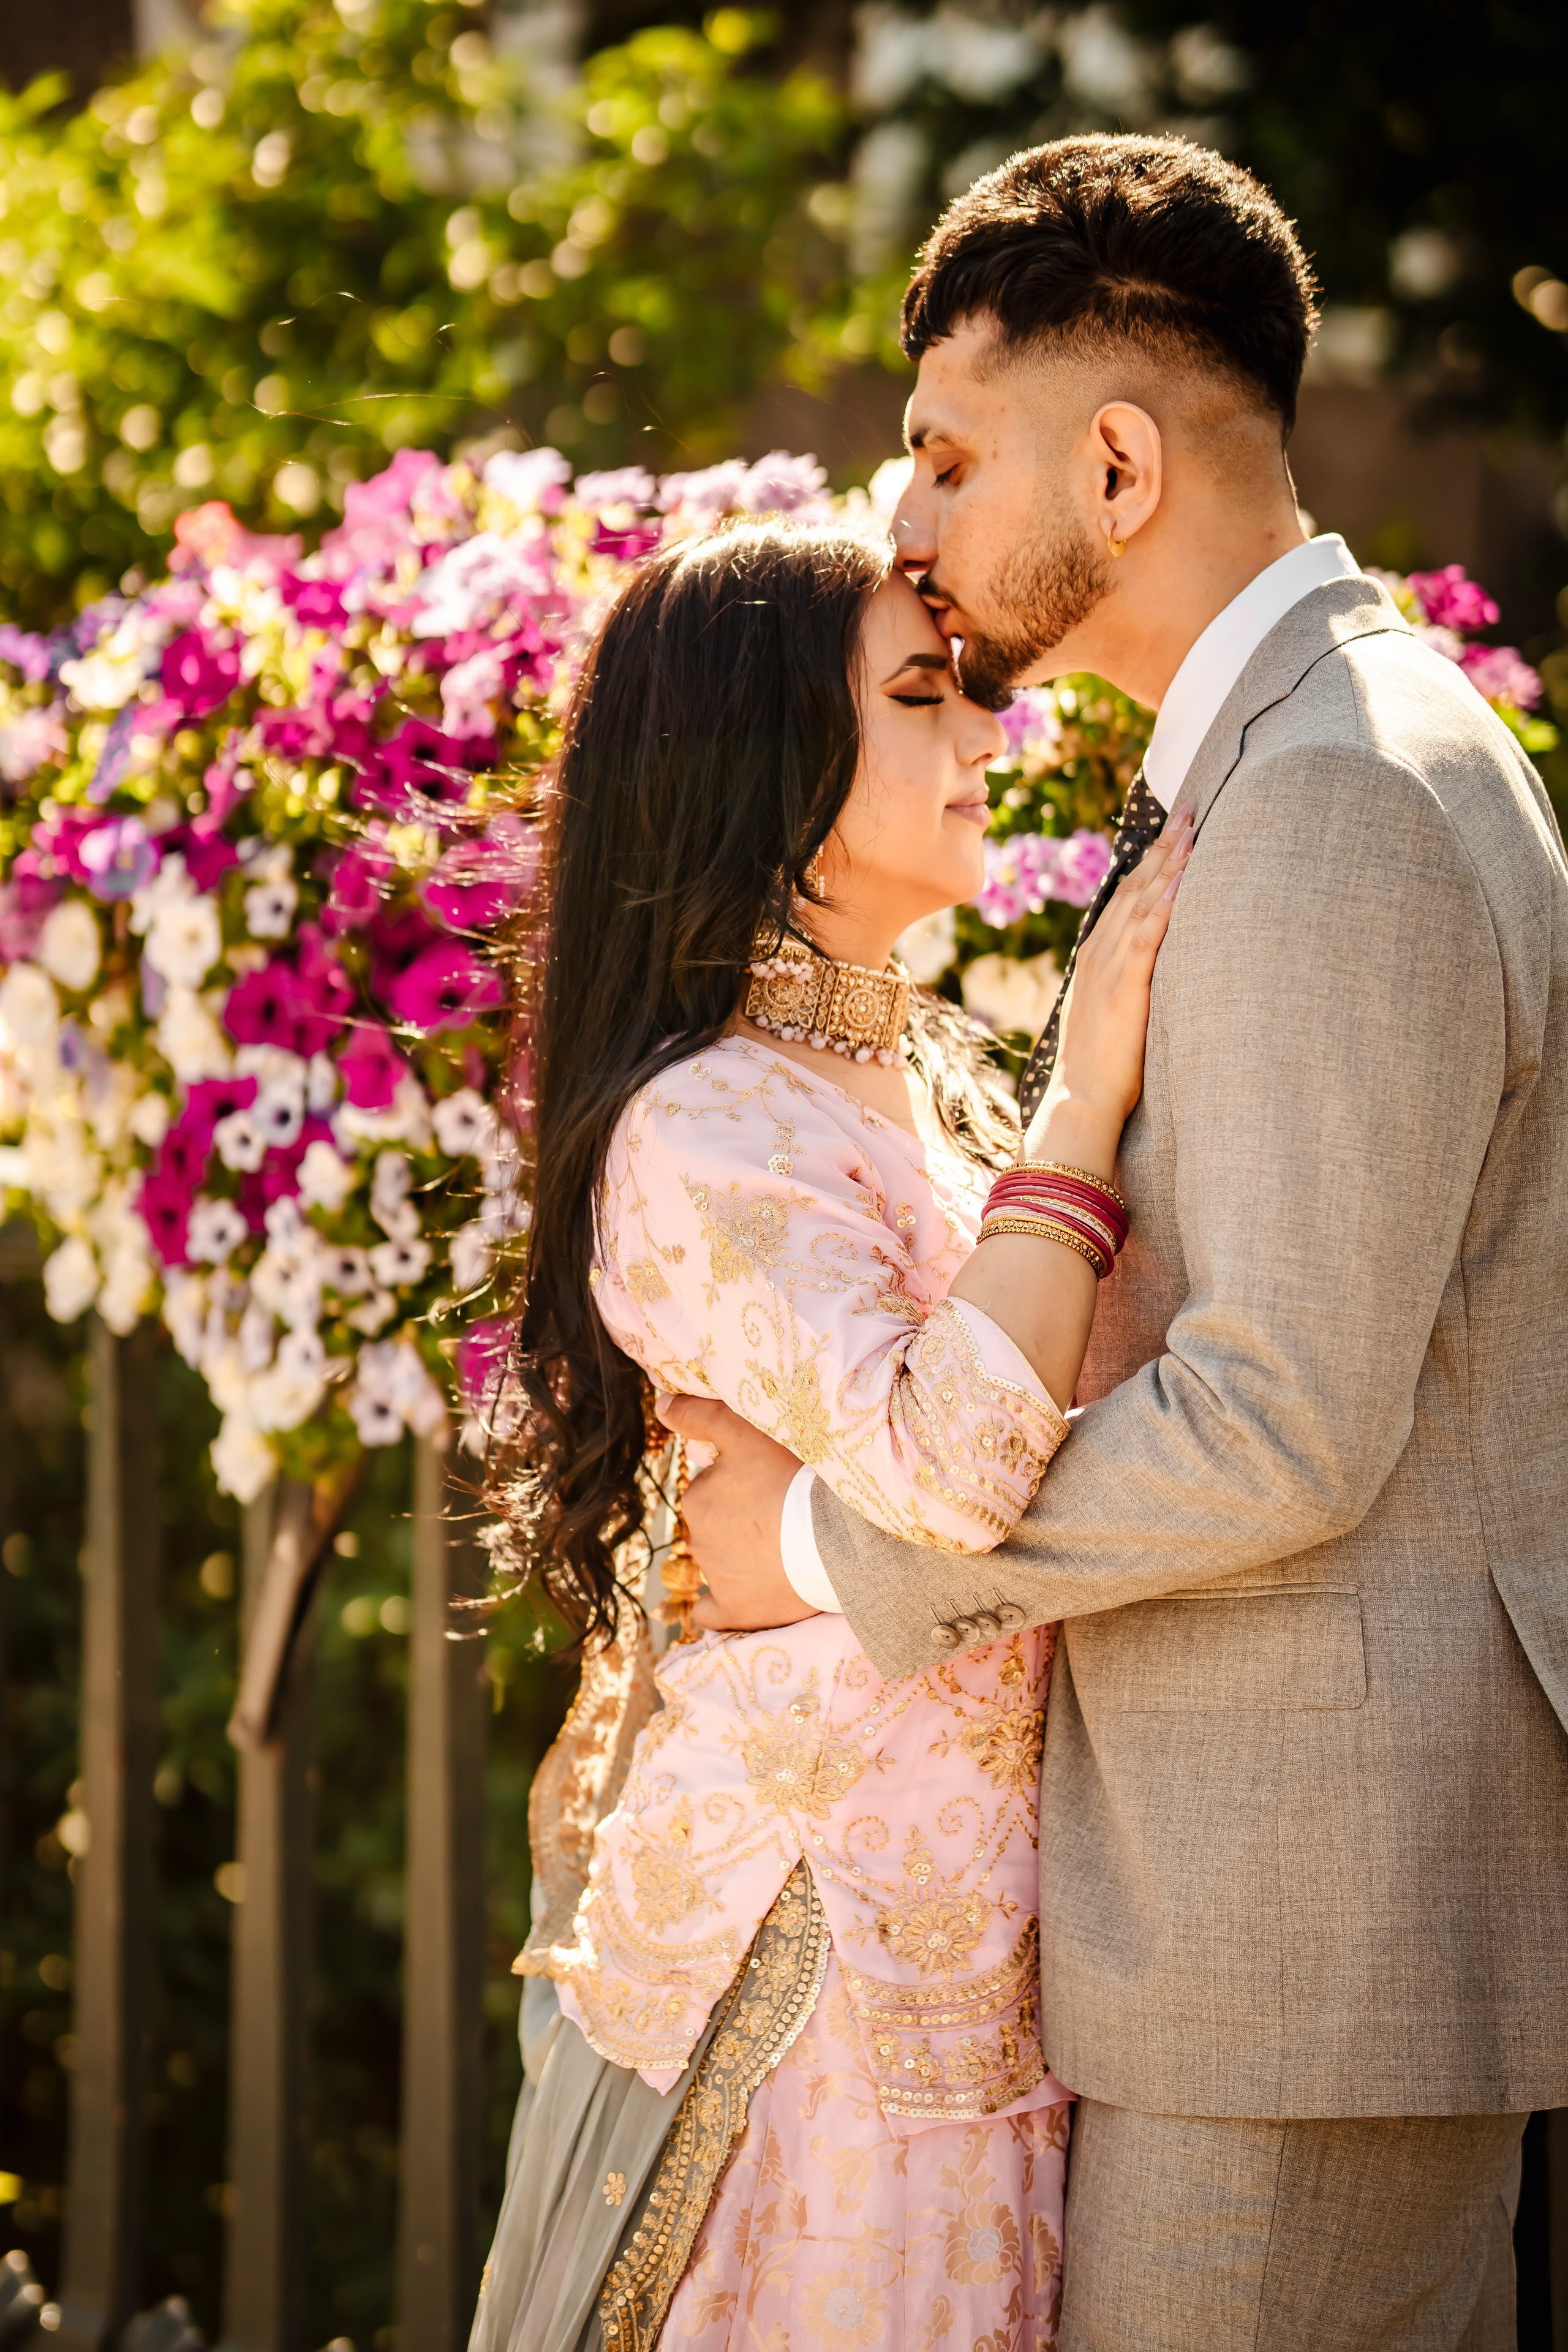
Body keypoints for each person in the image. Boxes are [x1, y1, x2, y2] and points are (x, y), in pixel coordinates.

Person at [667, 135, 1568, 2351]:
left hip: (1304, 1942)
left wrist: (843, 1553)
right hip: (1268, 1923)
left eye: (945, 457)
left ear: (1125, 463)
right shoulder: (1303, 752)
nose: (911, 527)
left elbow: (1281, 1425)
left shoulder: (1344, 790)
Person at [469, 517, 1188, 2352]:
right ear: (765, 767)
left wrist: (793, 1550)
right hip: (819, 1983)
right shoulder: (710, 1127)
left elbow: (1005, 1441)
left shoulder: (906, 1090)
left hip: (968, 1967)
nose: (986, 741)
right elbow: (955, 1471)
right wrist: (1090, 1089)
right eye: (926, 696)